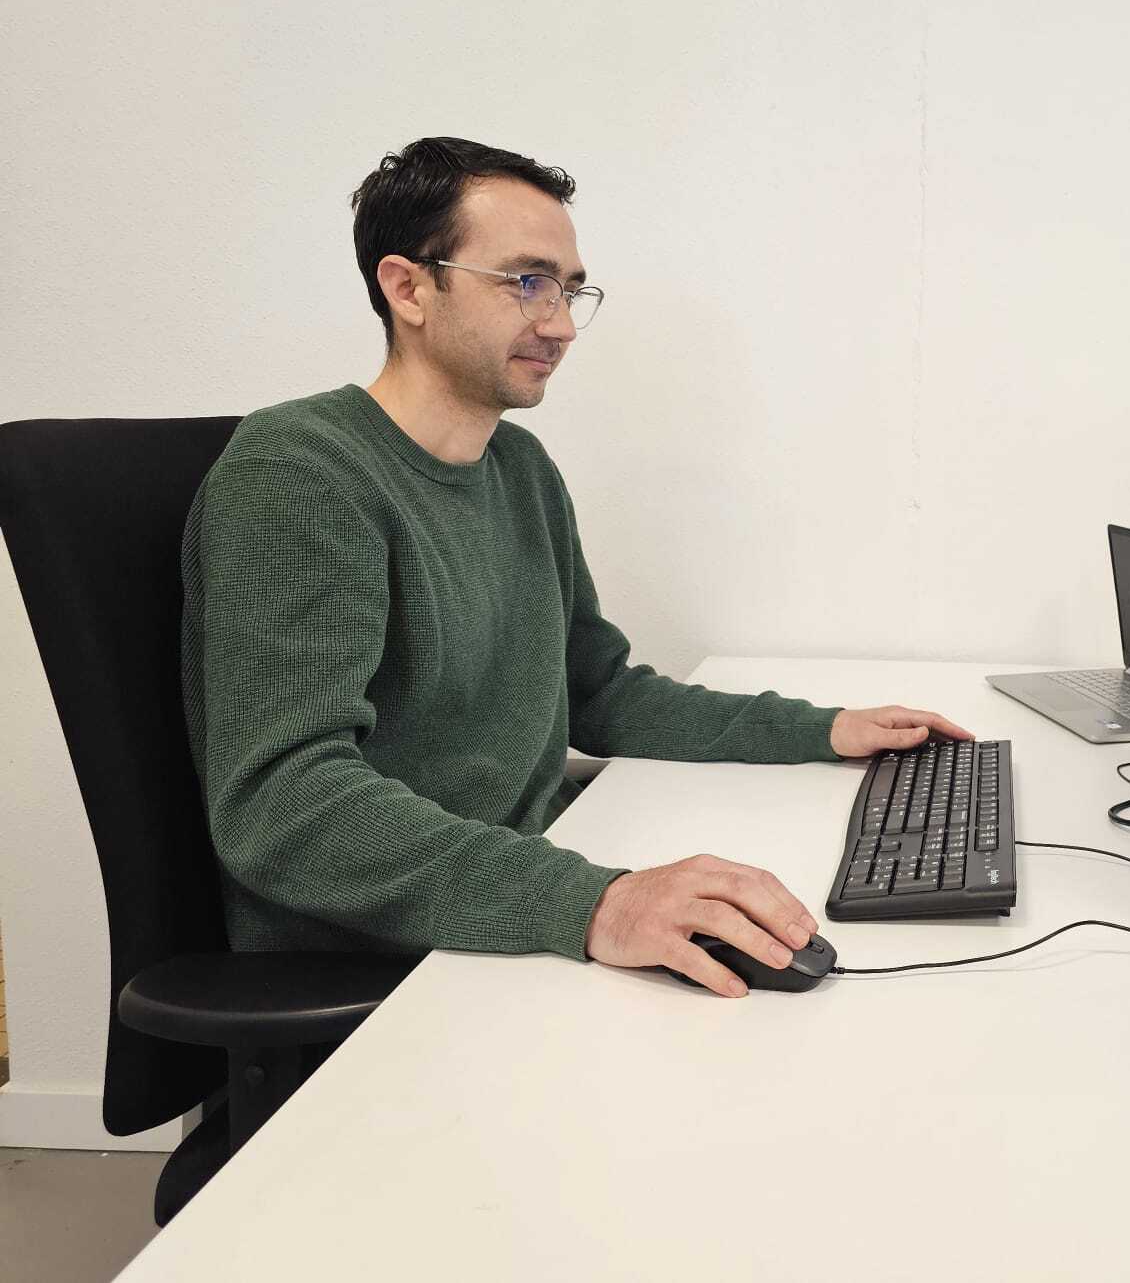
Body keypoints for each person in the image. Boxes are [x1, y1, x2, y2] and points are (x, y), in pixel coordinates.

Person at [181, 136, 970, 999]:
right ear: (408, 288)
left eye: (568, 289)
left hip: (517, 891)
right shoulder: (299, 472)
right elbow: (284, 804)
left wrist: (826, 730)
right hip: (391, 959)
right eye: (525, 282)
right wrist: (598, 902)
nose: (558, 323)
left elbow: (597, 694)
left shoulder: (519, 470)